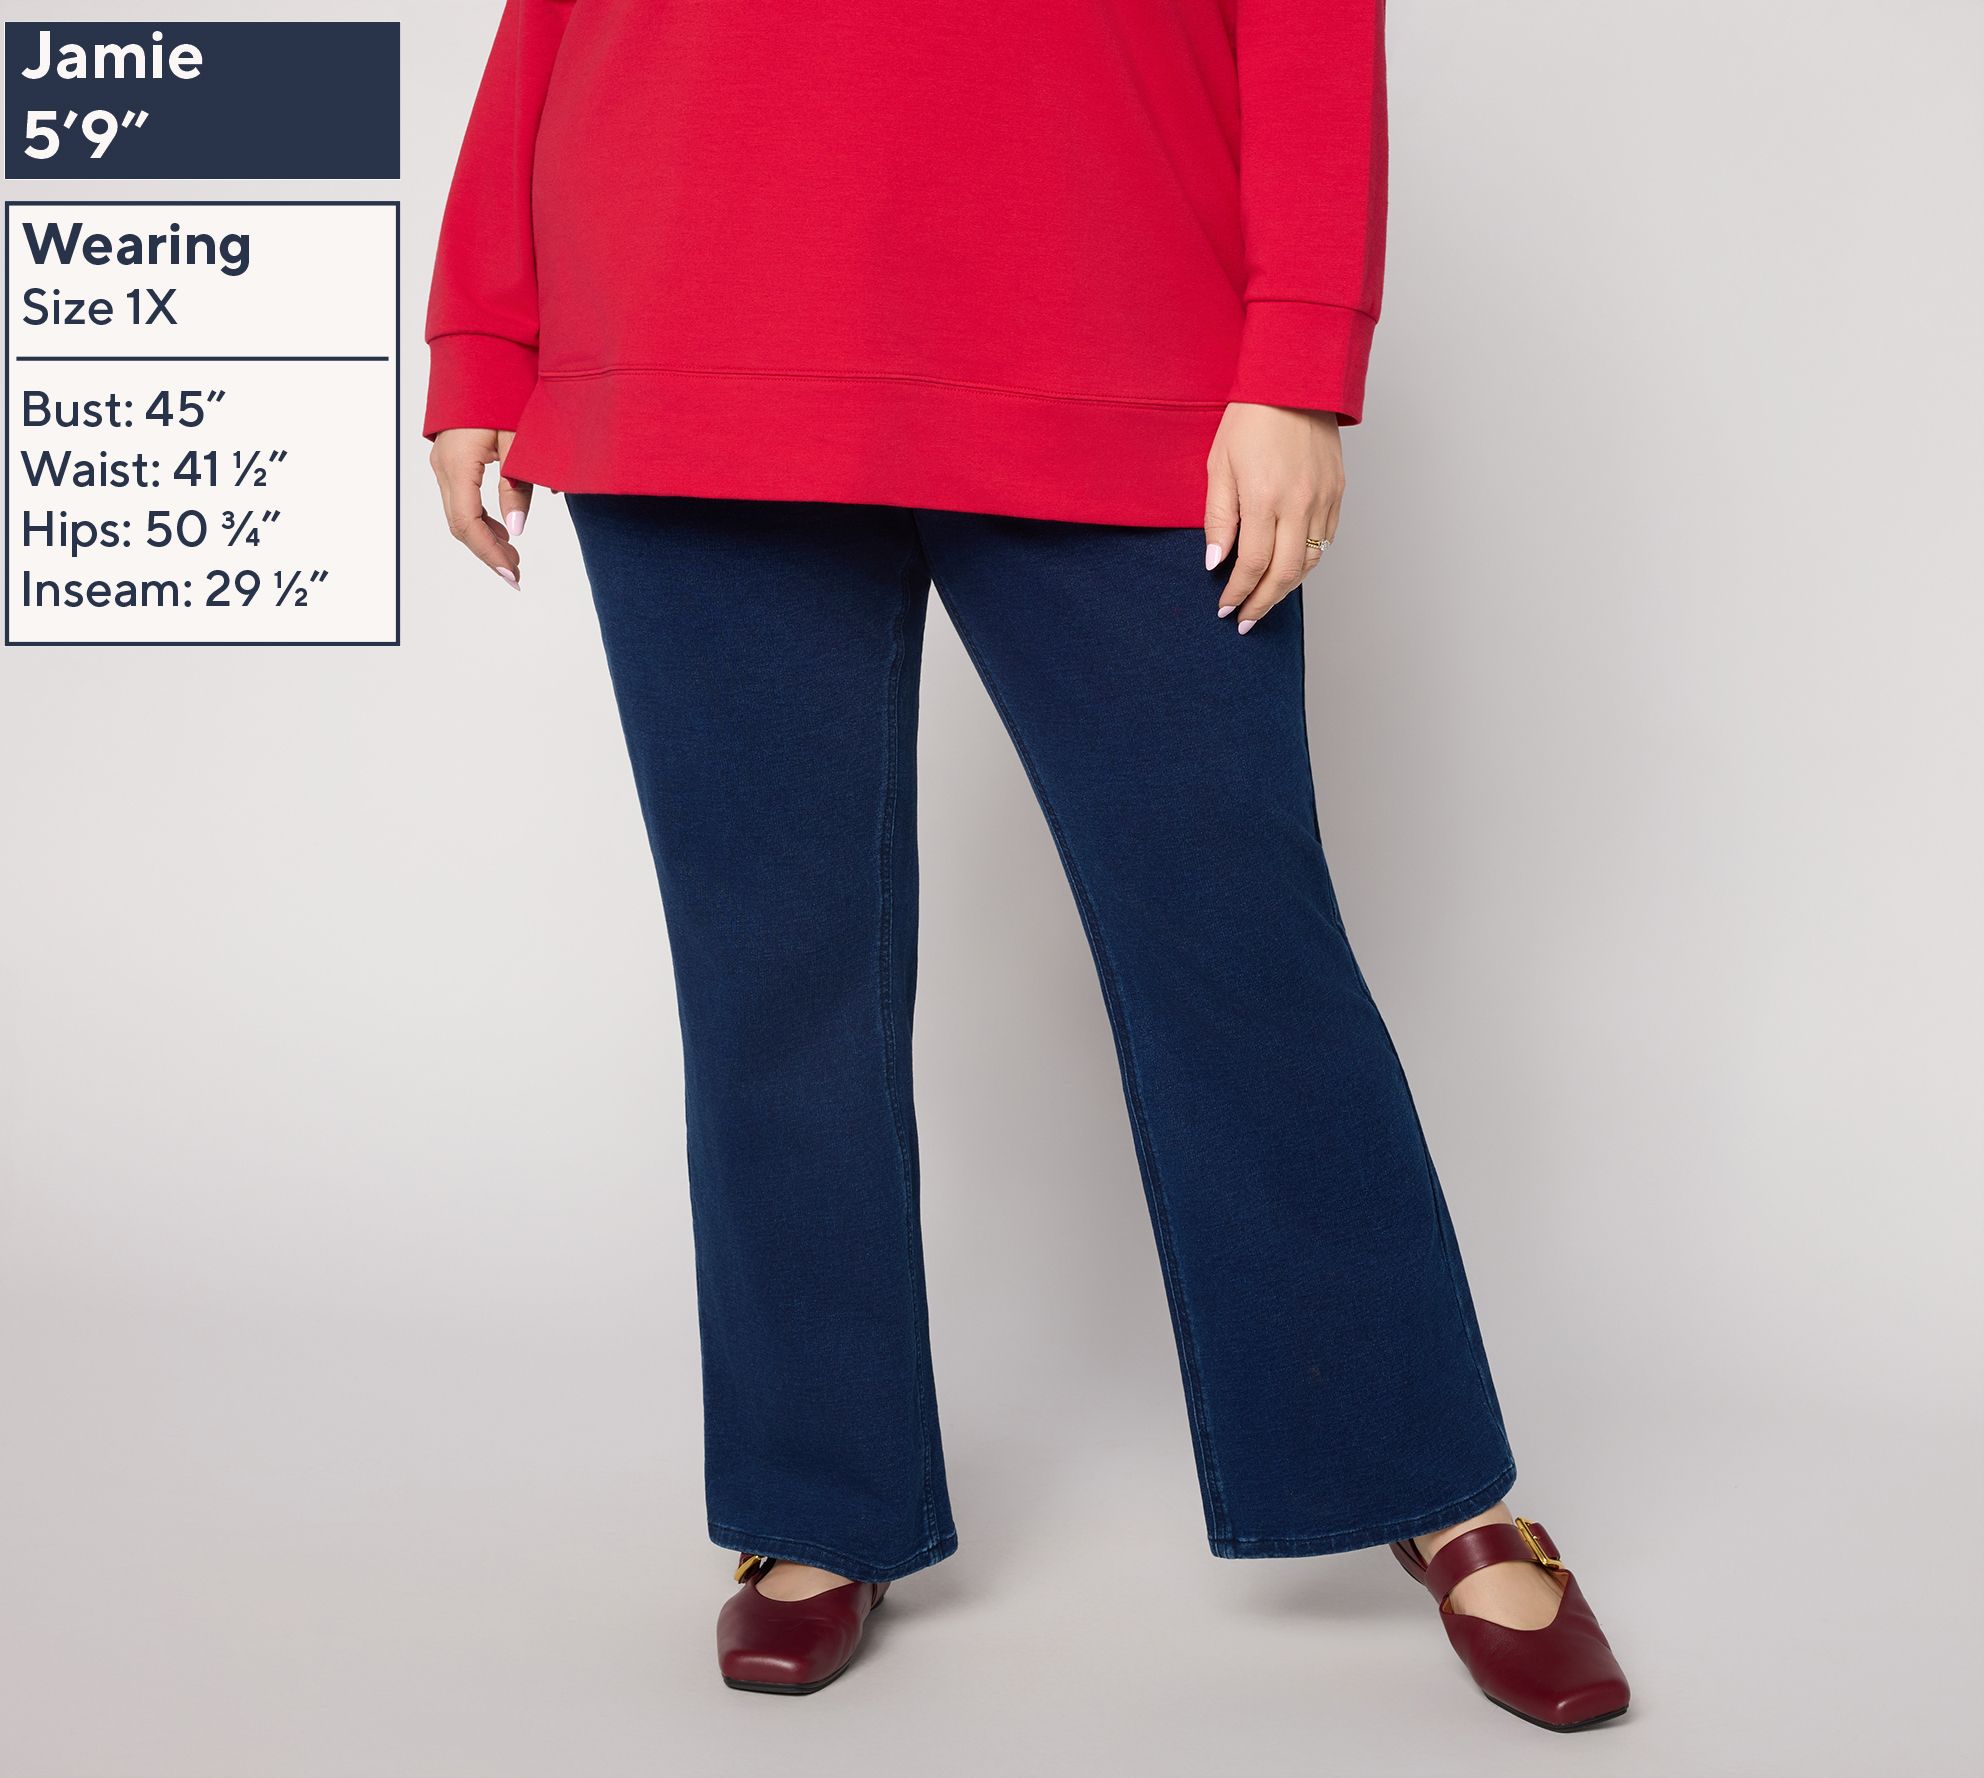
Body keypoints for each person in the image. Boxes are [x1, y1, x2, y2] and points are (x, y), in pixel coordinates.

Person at [423, 0, 1630, 1732]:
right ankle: (816, 1499)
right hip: (687, 310)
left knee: (1236, 938)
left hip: (1108, 320)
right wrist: (483, 328)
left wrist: (1297, 357)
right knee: (775, 972)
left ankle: (1435, 1480)